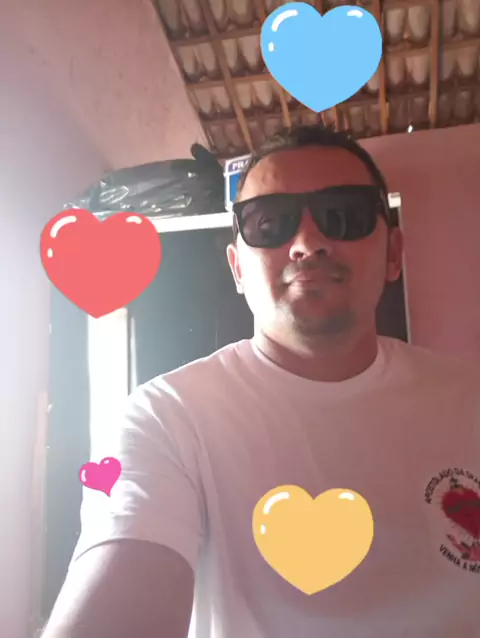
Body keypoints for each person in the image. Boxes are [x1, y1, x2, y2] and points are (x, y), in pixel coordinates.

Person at [43, 124, 480, 638]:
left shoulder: (468, 401)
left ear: (392, 253)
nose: (308, 242)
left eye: (344, 215)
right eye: (269, 222)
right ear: (237, 269)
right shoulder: (166, 421)